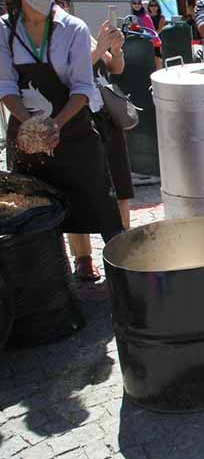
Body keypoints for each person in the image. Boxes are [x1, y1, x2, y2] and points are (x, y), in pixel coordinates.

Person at [0, 0, 123, 248]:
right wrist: (30, 125)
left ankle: (124, 277)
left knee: (98, 199)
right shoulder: (3, 30)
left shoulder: (73, 28)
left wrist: (56, 124)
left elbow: (83, 86)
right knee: (36, 209)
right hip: (25, 132)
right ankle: (55, 273)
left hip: (74, 130)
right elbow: (5, 86)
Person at [68, 18, 134, 281]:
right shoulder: (53, 39)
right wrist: (100, 48)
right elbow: (73, 71)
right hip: (74, 118)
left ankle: (124, 249)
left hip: (104, 116)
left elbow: (114, 68)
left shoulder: (82, 31)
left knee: (119, 183)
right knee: (76, 188)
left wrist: (115, 49)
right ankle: (83, 257)